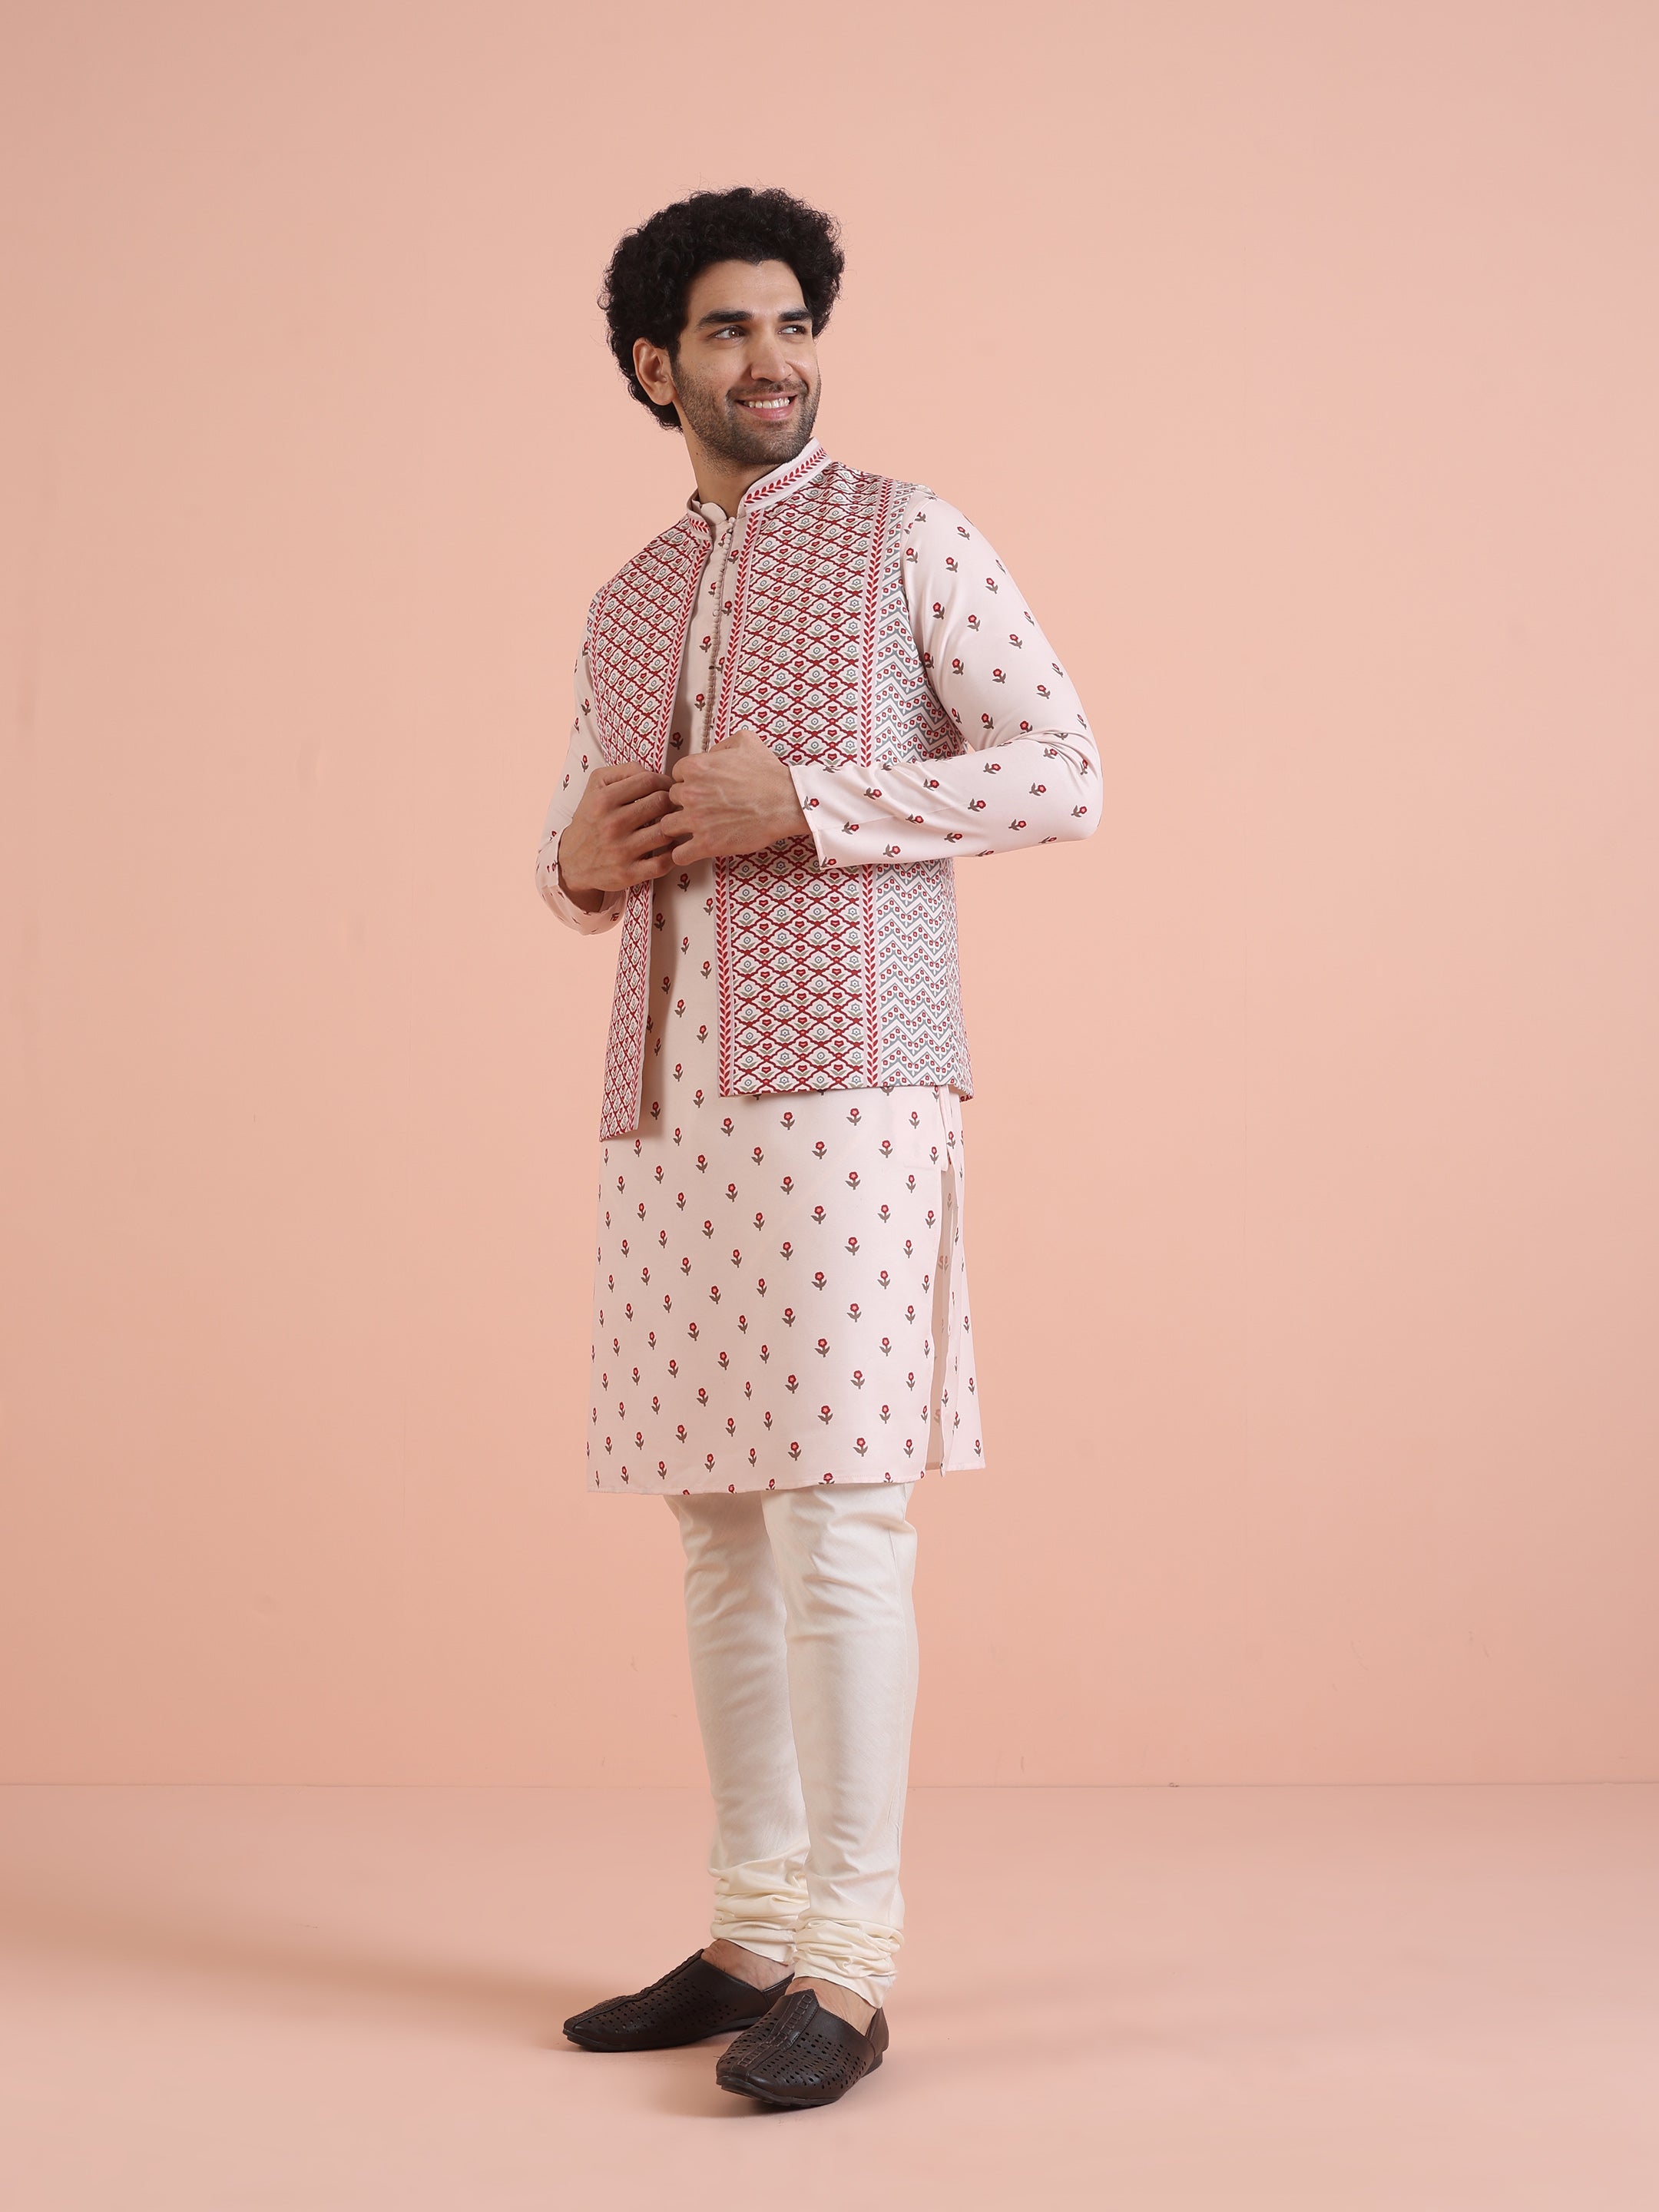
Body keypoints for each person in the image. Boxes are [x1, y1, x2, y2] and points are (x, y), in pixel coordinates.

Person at [535, 186, 1098, 2108]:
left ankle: (848, 1968)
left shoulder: (906, 535)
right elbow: (576, 833)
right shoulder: (625, 600)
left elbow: (1063, 769)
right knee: (714, 1527)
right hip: (669, 1099)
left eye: (791, 324)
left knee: (841, 1524)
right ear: (655, 365)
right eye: (728, 329)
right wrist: (569, 865)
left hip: (854, 1081)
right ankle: (750, 1931)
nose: (772, 359)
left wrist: (814, 801)